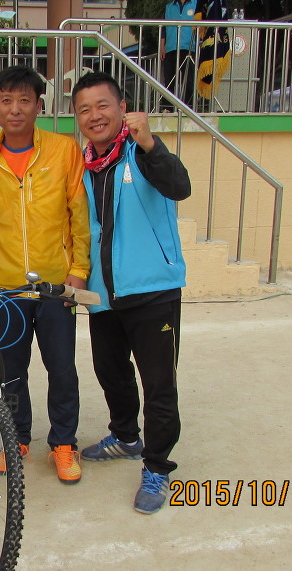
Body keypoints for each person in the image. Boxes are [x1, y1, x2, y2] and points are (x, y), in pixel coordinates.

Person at [0, 65, 90, 485]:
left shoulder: (64, 150)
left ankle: (63, 444)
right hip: (6, 287)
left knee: (61, 368)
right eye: (6, 100)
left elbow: (79, 214)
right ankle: (17, 439)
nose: (15, 109)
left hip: (54, 286)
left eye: (25, 100)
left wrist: (79, 271)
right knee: (12, 369)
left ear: (38, 105)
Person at [70, 72, 191, 514]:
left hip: (153, 290)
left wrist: (152, 145)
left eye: (103, 105)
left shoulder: (142, 152)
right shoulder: (83, 165)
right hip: (104, 293)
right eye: (84, 109)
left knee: (158, 384)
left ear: (122, 108)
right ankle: (125, 436)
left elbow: (180, 187)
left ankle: (157, 467)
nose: (94, 115)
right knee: (110, 371)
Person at [159, 0, 198, 112]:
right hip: (171, 47)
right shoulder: (169, 6)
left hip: (189, 48)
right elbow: (163, 28)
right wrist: (162, 46)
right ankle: (168, 108)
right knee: (169, 81)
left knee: (190, 81)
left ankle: (188, 108)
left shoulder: (196, 5)